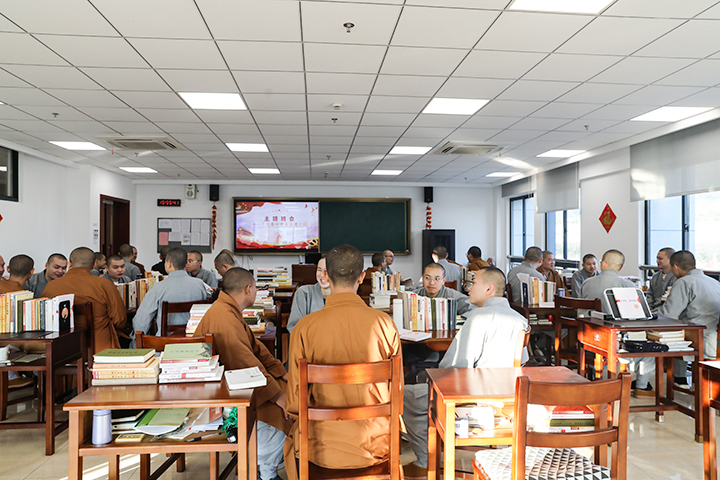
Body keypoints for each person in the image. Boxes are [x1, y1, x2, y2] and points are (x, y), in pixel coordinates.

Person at [284, 244, 401, 480]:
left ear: (326, 276)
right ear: (362, 276)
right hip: (376, 446)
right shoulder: (385, 324)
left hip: (319, 449)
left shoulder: (304, 328)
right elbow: (396, 391)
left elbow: (296, 402)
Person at [403, 267, 529, 478]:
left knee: (407, 394)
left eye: (474, 283)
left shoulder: (480, 317)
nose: (468, 287)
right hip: (505, 398)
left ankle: (425, 460)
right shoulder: (519, 319)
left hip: (473, 397)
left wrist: (426, 376)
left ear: (489, 288)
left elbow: (455, 368)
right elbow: (522, 362)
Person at [193, 267, 291, 480]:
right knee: (283, 408)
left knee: (288, 387)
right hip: (225, 395)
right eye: (255, 288)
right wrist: (277, 395)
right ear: (248, 289)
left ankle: (266, 467)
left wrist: (280, 372)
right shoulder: (224, 317)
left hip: (236, 385)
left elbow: (255, 348)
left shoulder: (227, 310)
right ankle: (266, 471)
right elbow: (243, 363)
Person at [580, 249, 653, 396]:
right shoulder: (628, 285)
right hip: (615, 339)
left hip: (589, 336)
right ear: (622, 267)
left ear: (603, 264)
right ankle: (641, 386)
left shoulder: (587, 283)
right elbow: (637, 316)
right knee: (649, 346)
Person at [42, 247, 126, 353]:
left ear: (70, 264)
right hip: (100, 349)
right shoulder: (104, 285)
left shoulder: (51, 286)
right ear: (94, 264)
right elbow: (120, 320)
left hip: (62, 352)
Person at [658, 250, 720, 386]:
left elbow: (668, 314)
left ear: (675, 267)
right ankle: (680, 378)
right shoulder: (714, 282)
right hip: (715, 340)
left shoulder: (684, 282)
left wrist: (652, 315)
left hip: (699, 339)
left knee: (667, 335)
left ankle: (675, 380)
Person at [132, 248, 209, 337]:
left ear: (169, 263)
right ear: (185, 264)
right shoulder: (200, 285)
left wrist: (136, 338)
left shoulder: (159, 288)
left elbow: (141, 321)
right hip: (195, 339)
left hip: (166, 342)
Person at [410, 262, 476, 316]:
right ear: (422, 278)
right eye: (427, 278)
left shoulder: (453, 297)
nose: (432, 283)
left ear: (443, 281)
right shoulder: (414, 296)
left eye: (437, 279)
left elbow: (474, 310)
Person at [287, 257, 331, 333]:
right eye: (319, 270)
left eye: (327, 271)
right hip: (308, 342)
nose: (322, 275)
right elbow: (294, 327)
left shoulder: (343, 296)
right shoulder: (303, 293)